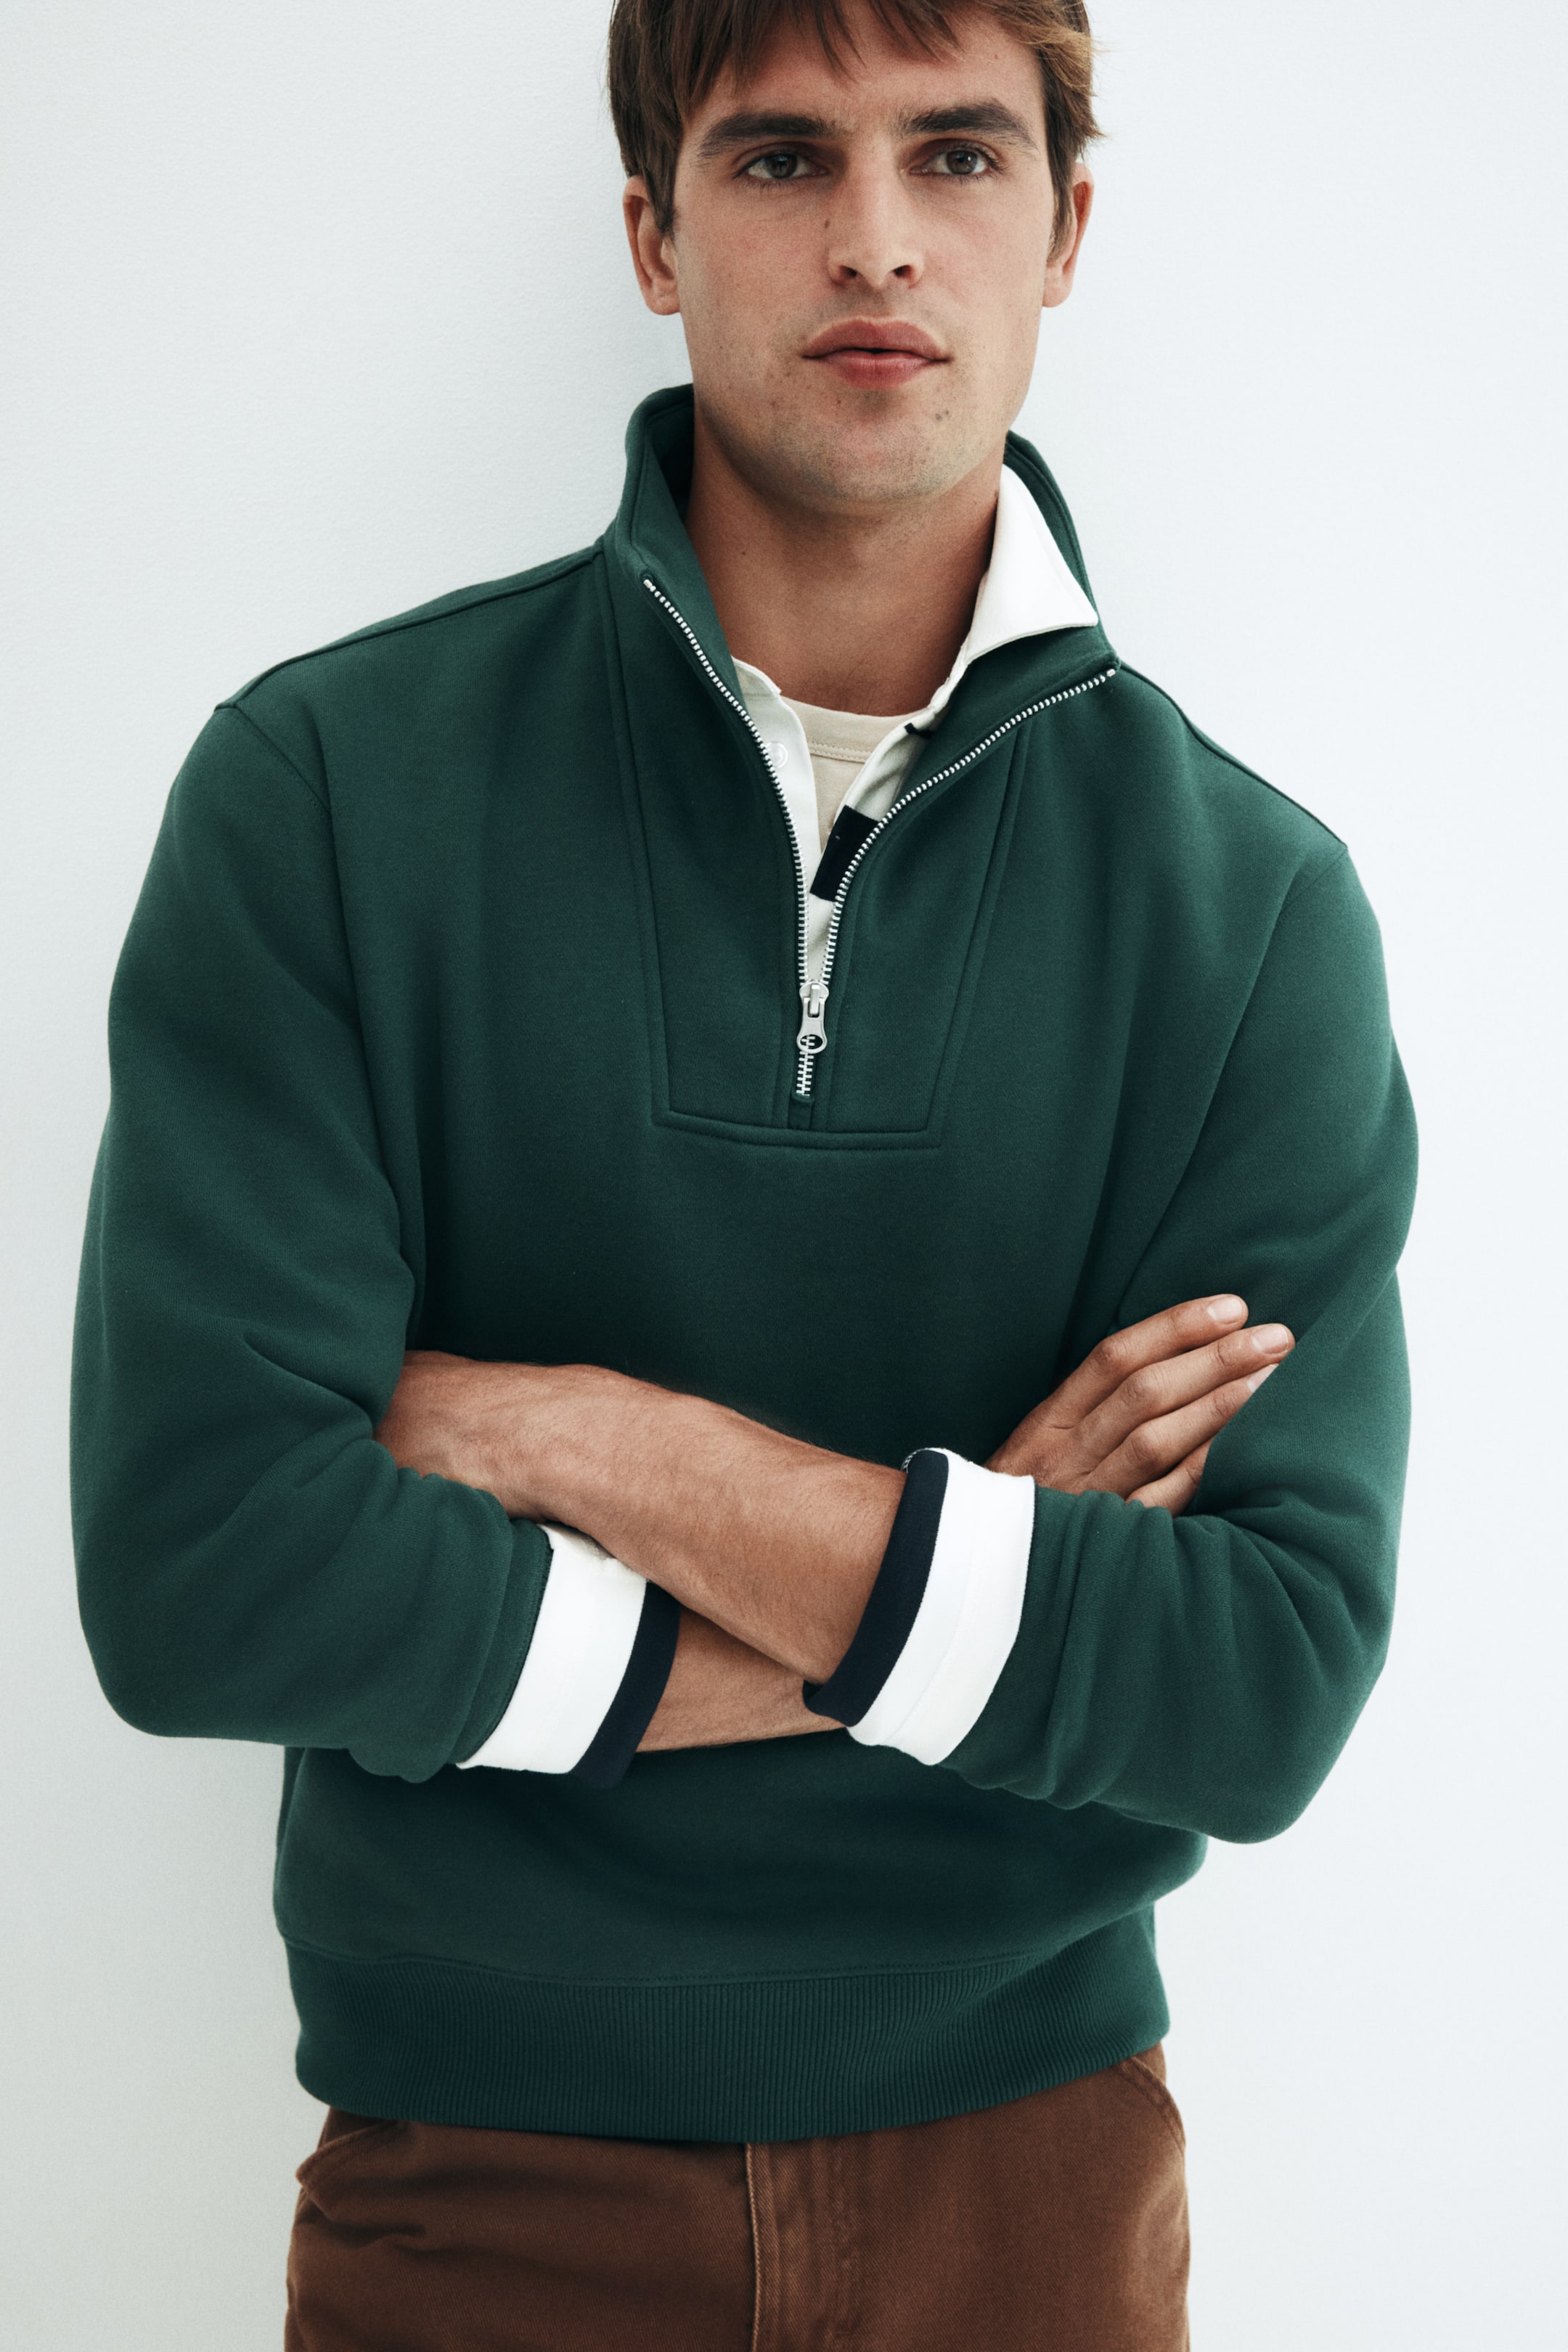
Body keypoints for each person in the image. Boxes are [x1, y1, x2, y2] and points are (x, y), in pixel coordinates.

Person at [70, 1, 1416, 2343]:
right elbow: (205, 1576)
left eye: (958, 156)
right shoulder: (324, 797)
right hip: (477, 2182)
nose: (876, 238)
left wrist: (592, 1439)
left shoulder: (1250, 909)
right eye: (784, 158)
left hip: (1034, 2194)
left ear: (1067, 229)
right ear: (652, 233)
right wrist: (978, 1572)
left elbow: (1258, 1687)